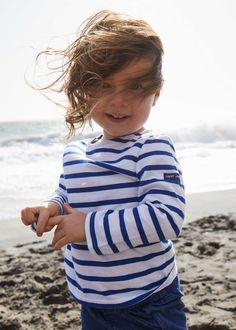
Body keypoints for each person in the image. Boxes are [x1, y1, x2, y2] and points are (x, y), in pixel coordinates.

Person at [21, 10, 187, 329]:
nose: (119, 101)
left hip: (148, 301)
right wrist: (48, 208)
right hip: (92, 299)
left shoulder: (151, 148)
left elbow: (167, 217)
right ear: (85, 88)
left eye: (135, 86)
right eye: (105, 85)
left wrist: (89, 228)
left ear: (156, 91)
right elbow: (68, 194)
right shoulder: (75, 152)